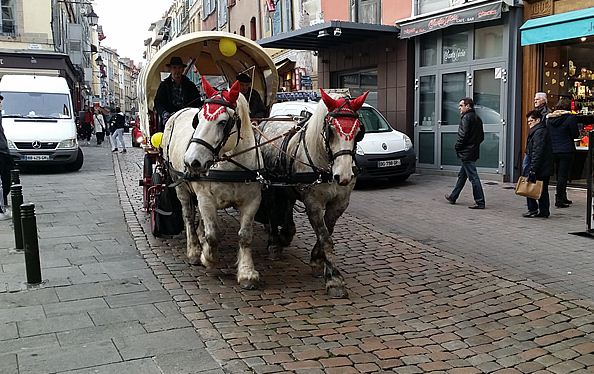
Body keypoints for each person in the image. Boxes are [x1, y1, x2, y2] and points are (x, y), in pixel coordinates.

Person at [445, 97, 486, 209]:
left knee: (473, 177)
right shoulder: (477, 118)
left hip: (466, 152)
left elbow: (462, 136)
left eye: (461, 105)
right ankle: (453, 196)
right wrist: (473, 145)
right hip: (472, 151)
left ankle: (480, 202)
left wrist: (457, 146)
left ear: (468, 106)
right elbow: (481, 137)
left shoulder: (466, 118)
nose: (459, 108)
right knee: (462, 176)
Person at [154, 56, 202, 131]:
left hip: (188, 119)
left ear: (183, 69)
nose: (177, 71)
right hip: (170, 119)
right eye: (174, 68)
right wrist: (164, 114)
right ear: (170, 69)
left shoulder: (190, 85)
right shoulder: (164, 85)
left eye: (179, 68)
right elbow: (158, 103)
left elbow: (197, 102)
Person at [546, 97, 579, 208]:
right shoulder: (570, 118)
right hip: (566, 150)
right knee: (563, 176)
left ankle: (562, 197)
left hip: (553, 150)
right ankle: (560, 199)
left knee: (558, 175)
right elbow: (575, 134)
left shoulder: (550, 119)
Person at [522, 110, 553, 218]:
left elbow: (537, 151)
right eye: (528, 121)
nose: (529, 123)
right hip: (543, 166)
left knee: (531, 186)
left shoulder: (539, 132)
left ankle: (533, 209)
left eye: (531, 121)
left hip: (539, 166)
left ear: (538, 120)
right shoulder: (539, 131)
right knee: (542, 189)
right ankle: (543, 211)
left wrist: (533, 169)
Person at [0, 94, 13, 220]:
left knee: (6, 181)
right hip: (1, 152)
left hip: (4, 151)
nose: (1, 103)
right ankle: (1, 210)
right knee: (3, 182)